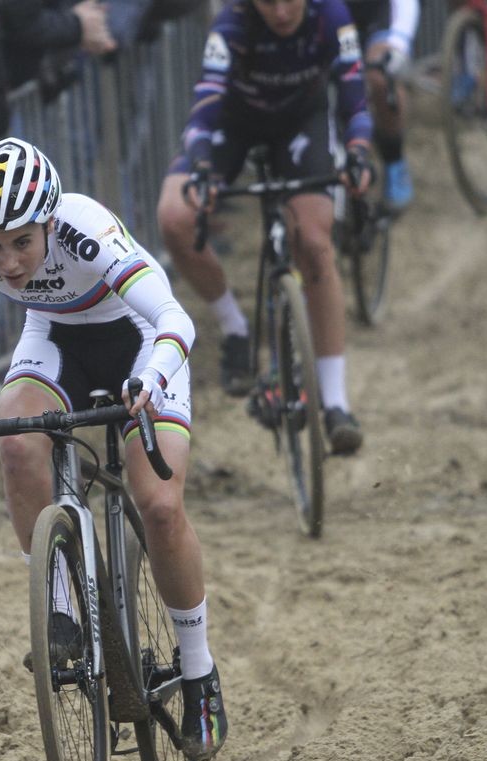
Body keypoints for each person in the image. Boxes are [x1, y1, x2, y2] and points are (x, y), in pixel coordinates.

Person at [0, 138, 227, 761]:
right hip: (54, 339)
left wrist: (154, 379)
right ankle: (62, 606)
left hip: (140, 342)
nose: (6, 263)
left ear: (50, 224)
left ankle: (199, 673)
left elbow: (177, 321)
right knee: (13, 435)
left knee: (161, 508)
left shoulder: (85, 230)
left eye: (21, 244)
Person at [155, 0, 372, 456]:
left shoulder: (330, 15)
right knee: (175, 215)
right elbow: (205, 104)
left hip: (301, 123)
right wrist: (201, 167)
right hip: (234, 125)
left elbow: (354, 95)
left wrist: (357, 151)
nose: (280, 11)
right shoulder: (233, 22)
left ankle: (334, 401)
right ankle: (236, 329)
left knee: (314, 242)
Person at [346, 0, 419, 210]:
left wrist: (399, 41)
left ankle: (394, 161)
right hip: (330, 14)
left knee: (381, 76)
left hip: (379, 14)